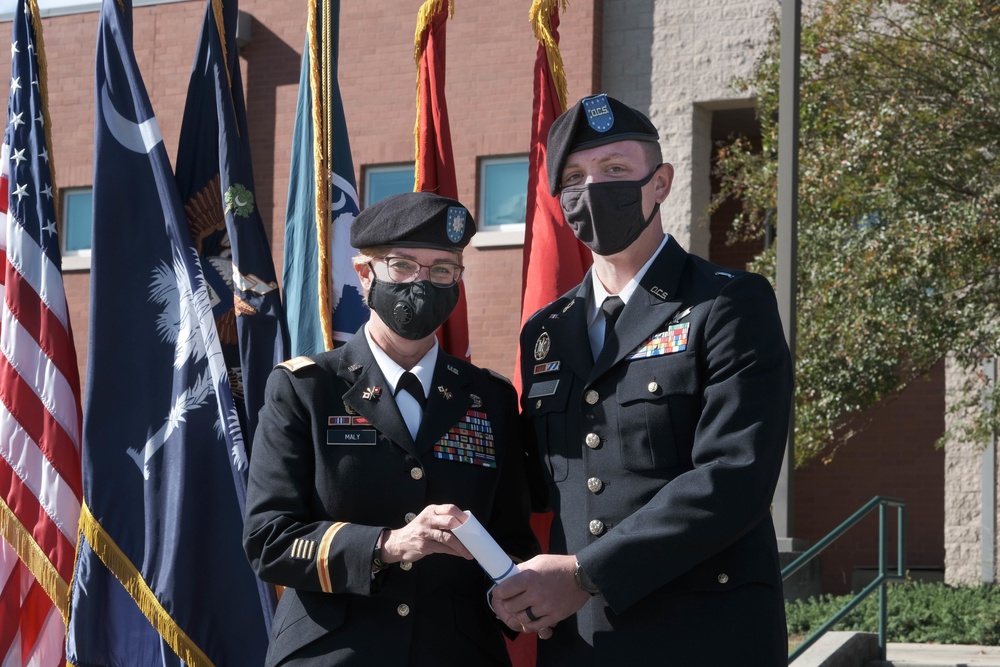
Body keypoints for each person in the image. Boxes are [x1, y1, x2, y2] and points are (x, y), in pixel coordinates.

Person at [490, 93, 794, 665]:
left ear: (661, 183)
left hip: (703, 636)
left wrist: (584, 573)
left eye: (615, 170)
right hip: (582, 643)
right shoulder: (545, 333)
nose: (594, 188)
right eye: (575, 176)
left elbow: (735, 477)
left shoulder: (727, 303)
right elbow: (535, 481)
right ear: (560, 200)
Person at [243, 192, 538, 666]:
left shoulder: (490, 398)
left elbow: (512, 540)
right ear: (365, 275)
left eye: (442, 269)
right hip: (333, 653)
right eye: (402, 266)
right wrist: (388, 544)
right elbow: (269, 540)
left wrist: (509, 597)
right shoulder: (306, 390)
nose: (423, 283)